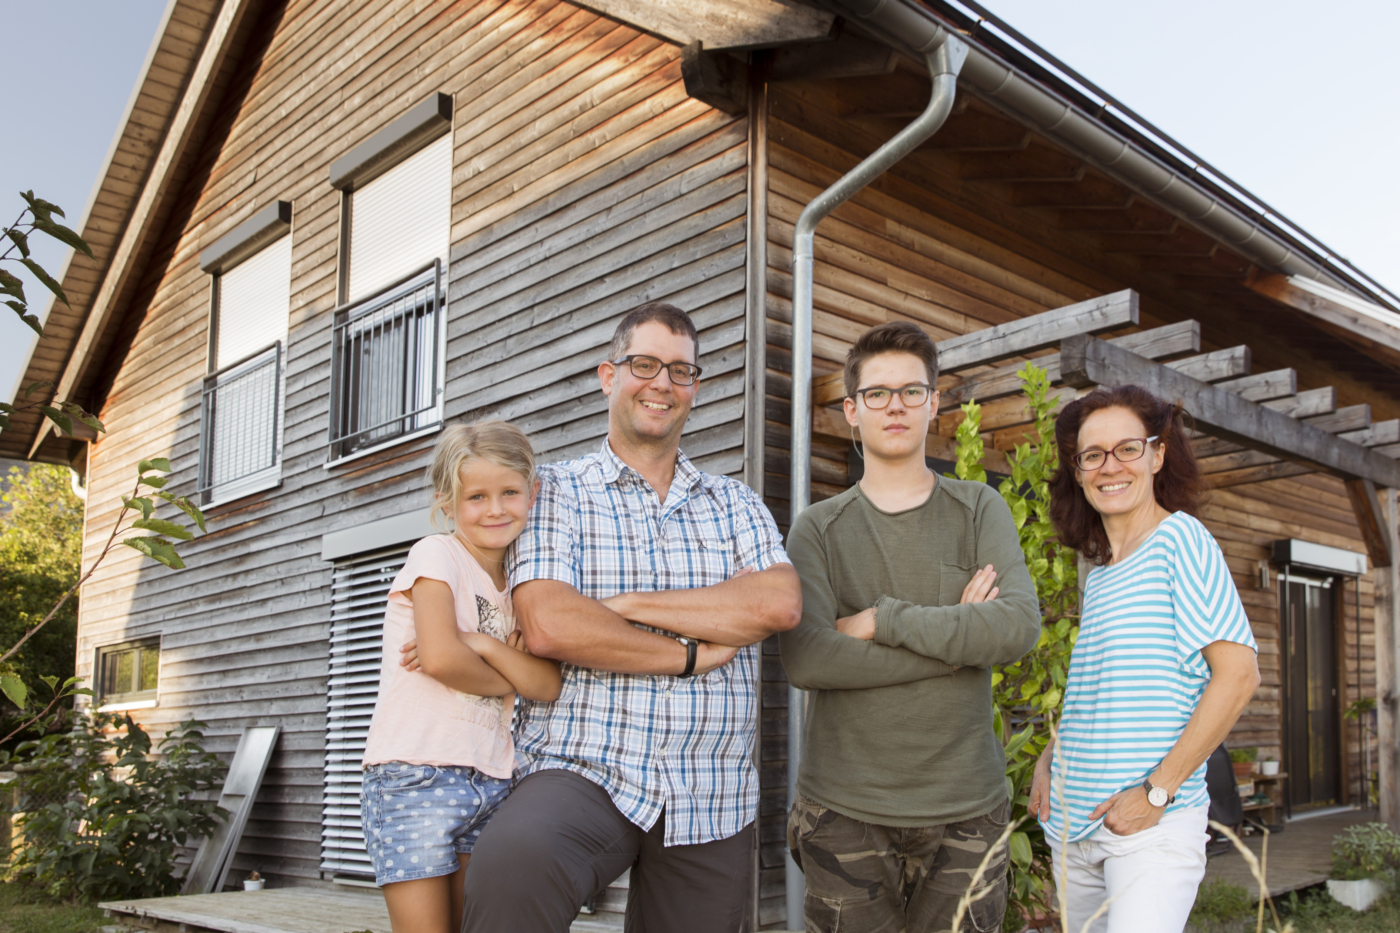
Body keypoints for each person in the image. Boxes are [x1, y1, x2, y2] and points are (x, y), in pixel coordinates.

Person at [460, 302, 803, 933]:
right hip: (583, 764)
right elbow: (551, 625)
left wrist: (624, 608)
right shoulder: (552, 490)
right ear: (607, 375)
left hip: (712, 788)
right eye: (644, 364)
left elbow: (776, 603)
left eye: (681, 370)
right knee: (510, 869)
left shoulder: (737, 503)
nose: (662, 384)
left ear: (695, 388)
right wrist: (692, 652)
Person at [780, 321, 1042, 932]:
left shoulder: (980, 508)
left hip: (966, 810)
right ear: (851, 410)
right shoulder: (816, 528)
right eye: (877, 393)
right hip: (844, 808)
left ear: (935, 403)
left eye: (911, 391)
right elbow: (810, 659)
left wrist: (883, 619)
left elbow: (1017, 627)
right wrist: (957, 644)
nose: (894, 405)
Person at [1029, 385, 1261, 933]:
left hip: (1148, 826)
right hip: (1073, 824)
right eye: (1093, 455)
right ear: (1078, 471)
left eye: (1128, 449)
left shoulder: (1182, 540)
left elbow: (1238, 675)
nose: (1111, 466)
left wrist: (1157, 791)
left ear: (1157, 455)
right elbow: (1103, 687)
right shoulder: (1102, 570)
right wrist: (1050, 754)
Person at [359, 421, 562, 933]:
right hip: (415, 774)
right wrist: (509, 671)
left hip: (493, 780)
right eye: (476, 497)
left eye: (509, 492)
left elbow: (549, 685)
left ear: (532, 492)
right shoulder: (437, 555)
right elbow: (442, 659)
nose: (495, 509)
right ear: (448, 503)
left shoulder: (523, 583)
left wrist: (481, 644)